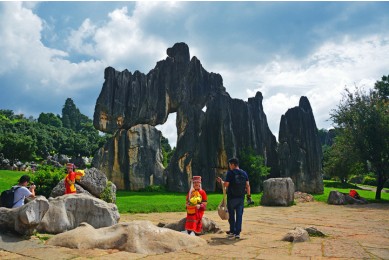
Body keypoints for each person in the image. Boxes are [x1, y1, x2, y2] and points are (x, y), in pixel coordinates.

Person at [217, 158, 251, 239]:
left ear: (232, 164)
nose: (229, 167)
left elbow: (226, 184)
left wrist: (221, 182)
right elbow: (247, 185)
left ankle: (232, 231)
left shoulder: (231, 173)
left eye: (230, 165)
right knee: (239, 215)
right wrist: (249, 196)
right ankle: (237, 233)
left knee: (231, 215)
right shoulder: (244, 173)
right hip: (241, 198)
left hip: (232, 197)